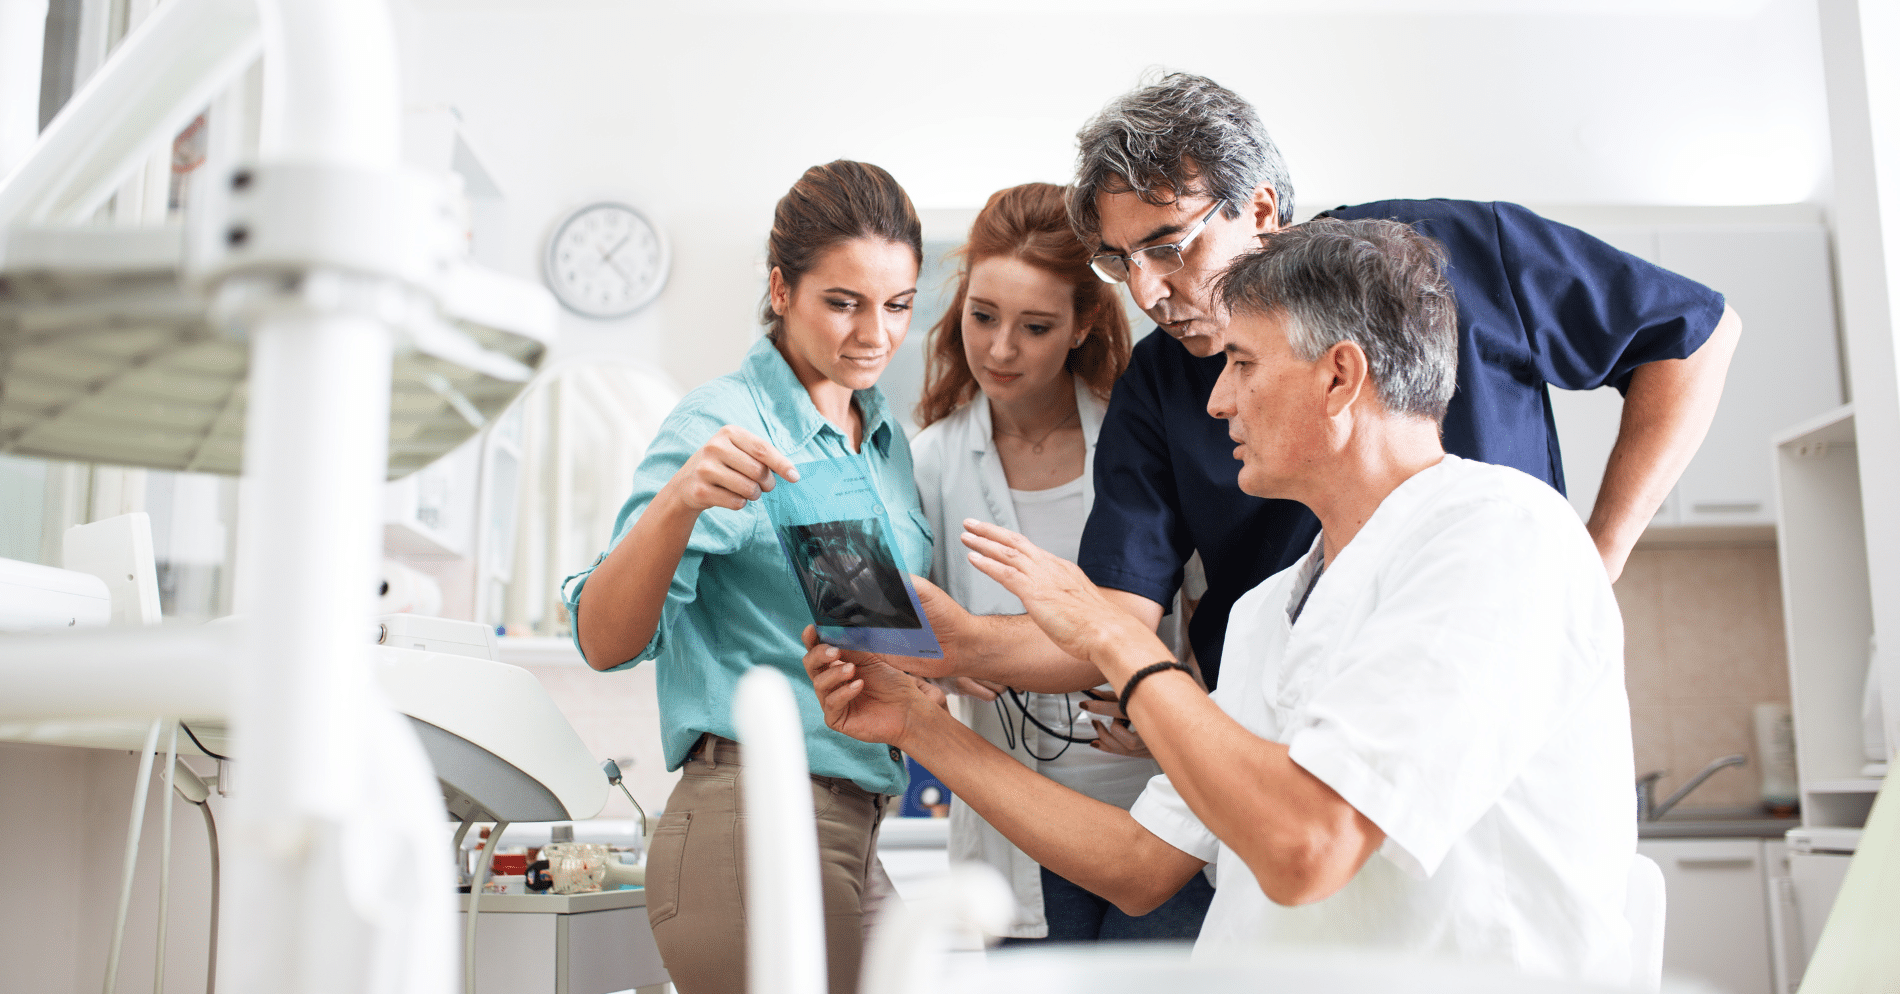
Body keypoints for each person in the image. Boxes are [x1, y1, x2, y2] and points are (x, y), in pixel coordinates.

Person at [805, 219, 1637, 983]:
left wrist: (1111, 637)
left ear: (1339, 376)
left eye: (1242, 363)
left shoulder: (1498, 535)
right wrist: (920, 726)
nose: (1216, 401)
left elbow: (1307, 846)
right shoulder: (1270, 608)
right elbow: (1140, 863)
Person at [900, 72, 1740, 693]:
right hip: (1289, 726)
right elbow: (1117, 619)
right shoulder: (1164, 383)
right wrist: (964, 642)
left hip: (1503, 677)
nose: (1148, 294)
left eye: (1169, 246)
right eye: (1119, 262)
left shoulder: (1450, 255)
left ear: (1261, 212)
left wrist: (1598, 558)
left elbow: (1693, 336)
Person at [562, 160, 930, 994]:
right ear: (780, 289)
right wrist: (678, 503)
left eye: (898, 305)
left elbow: (870, 633)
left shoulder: (884, 445)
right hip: (754, 815)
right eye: (844, 302)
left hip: (857, 817)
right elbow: (602, 641)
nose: (875, 332)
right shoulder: (721, 420)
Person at [910, 182, 1212, 942]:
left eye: (1036, 326)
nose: (1001, 349)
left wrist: (1172, 707)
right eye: (983, 317)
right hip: (1017, 826)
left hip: (1161, 812)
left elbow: (1214, 617)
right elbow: (906, 634)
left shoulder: (1139, 444)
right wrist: (947, 663)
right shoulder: (933, 462)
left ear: (1081, 326)